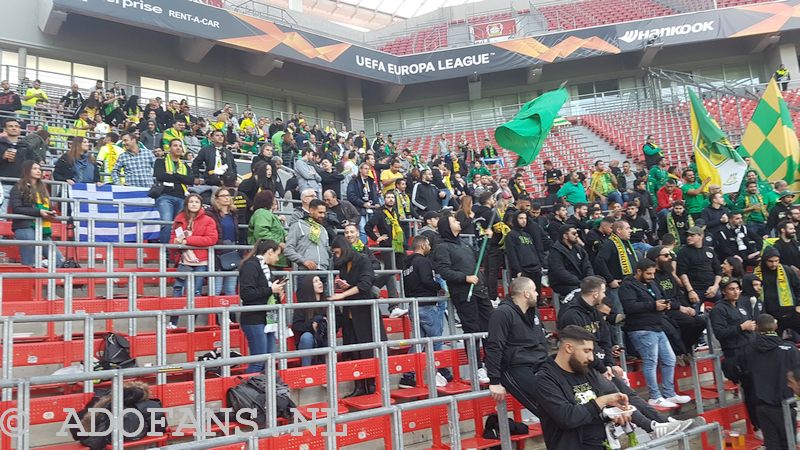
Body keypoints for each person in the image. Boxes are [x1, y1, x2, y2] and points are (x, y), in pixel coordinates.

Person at [530, 325, 633, 450]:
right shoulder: (545, 379)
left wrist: (615, 413)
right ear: (568, 348)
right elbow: (567, 418)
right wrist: (603, 401)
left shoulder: (586, 370)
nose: (591, 357)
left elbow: (597, 409)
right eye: (586, 351)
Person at [620, 259, 691, 408]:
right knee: (651, 361)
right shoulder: (627, 286)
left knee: (670, 359)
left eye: (653, 273)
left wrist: (665, 304)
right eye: (648, 273)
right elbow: (630, 306)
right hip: (641, 328)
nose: (652, 276)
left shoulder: (652, 283)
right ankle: (655, 396)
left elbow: (660, 297)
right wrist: (654, 305)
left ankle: (669, 393)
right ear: (638, 271)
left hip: (657, 326)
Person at [433, 213, 493, 383]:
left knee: (490, 328)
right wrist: (464, 278)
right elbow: (444, 271)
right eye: (454, 220)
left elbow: (480, 256)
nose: (458, 221)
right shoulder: (442, 247)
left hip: (480, 292)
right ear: (446, 226)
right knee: (472, 330)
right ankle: (478, 367)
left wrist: (486, 241)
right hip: (464, 294)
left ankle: (491, 363)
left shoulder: (464, 245)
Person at [329, 236, 385, 397]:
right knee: (354, 351)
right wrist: (345, 286)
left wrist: (343, 293)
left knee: (367, 350)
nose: (336, 256)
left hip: (365, 312)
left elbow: (365, 284)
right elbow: (355, 285)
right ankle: (359, 386)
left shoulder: (363, 260)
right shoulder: (343, 266)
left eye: (337, 252)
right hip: (350, 313)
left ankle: (372, 385)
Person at [485, 277, 549, 409]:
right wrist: (494, 381)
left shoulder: (534, 312)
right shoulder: (502, 314)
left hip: (540, 363)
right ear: (526, 294)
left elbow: (541, 340)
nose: (537, 294)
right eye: (534, 290)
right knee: (549, 405)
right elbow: (494, 346)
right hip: (515, 367)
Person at [740, 314, 800, 448]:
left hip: (760, 406)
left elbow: (744, 371)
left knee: (772, 445)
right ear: (776, 326)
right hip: (783, 405)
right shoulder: (789, 349)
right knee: (788, 445)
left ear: (756, 329)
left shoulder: (749, 349)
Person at [399, 235, 450, 389]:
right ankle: (441, 371)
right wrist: (439, 288)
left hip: (414, 306)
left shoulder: (406, 265)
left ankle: (407, 376)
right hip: (427, 306)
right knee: (436, 340)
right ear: (421, 246)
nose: (430, 246)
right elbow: (427, 281)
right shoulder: (423, 261)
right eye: (428, 244)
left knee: (418, 342)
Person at [709, 277, 759, 432]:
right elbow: (720, 333)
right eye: (731, 289)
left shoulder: (742, 306)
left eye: (737, 288)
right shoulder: (719, 309)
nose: (735, 291)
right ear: (724, 291)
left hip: (751, 350)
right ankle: (756, 423)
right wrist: (741, 327)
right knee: (751, 390)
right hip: (736, 354)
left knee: (758, 388)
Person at [645, 246, 706, 362]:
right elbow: (660, 298)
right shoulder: (652, 276)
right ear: (656, 258)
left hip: (678, 306)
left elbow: (678, 293)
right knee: (689, 322)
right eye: (666, 255)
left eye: (670, 255)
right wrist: (681, 308)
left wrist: (687, 307)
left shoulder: (668, 273)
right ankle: (680, 351)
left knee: (701, 322)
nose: (669, 258)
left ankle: (684, 349)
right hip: (666, 309)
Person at [168, 193, 219, 328]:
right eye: (191, 202)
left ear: (201, 205)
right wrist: (175, 242)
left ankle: (192, 323)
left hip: (200, 262)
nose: (194, 204)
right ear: (187, 204)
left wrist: (187, 240)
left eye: (197, 202)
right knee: (177, 289)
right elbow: (173, 238)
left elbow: (211, 239)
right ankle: (173, 322)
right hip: (183, 261)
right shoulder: (179, 219)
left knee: (195, 292)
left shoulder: (208, 220)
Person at [239, 240, 286, 373]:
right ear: (270, 252)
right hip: (254, 319)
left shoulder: (263, 268)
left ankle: (263, 391)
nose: (277, 259)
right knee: (259, 362)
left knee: (269, 361)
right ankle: (250, 391)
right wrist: (271, 290)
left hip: (266, 319)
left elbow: (264, 291)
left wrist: (276, 294)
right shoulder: (251, 266)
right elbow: (246, 293)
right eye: (277, 255)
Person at [9, 161, 63, 268]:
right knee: (30, 263)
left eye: (39, 169)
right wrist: (39, 212)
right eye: (34, 168)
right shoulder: (18, 187)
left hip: (41, 228)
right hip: (24, 226)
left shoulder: (43, 189)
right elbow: (17, 208)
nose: (38, 171)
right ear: (27, 170)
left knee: (59, 261)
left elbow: (46, 208)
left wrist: (50, 213)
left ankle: (41, 265)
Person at [365, 192, 406, 316]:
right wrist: (377, 238)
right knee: (390, 273)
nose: (391, 199)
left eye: (392, 197)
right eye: (388, 197)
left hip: (399, 247)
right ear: (384, 199)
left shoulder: (396, 213)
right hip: (387, 247)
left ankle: (375, 288)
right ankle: (393, 306)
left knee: (402, 272)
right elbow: (368, 227)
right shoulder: (379, 213)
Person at [153, 139, 193, 244]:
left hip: (182, 198)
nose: (178, 148)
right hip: (165, 197)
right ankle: (165, 250)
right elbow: (160, 176)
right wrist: (181, 178)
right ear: (169, 148)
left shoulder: (185, 166)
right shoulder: (160, 161)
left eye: (180, 146)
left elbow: (190, 180)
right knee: (166, 223)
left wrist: (173, 175)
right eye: (175, 145)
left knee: (179, 225)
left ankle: (175, 251)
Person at [594, 221, 638, 314]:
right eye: (627, 228)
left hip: (629, 284)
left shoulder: (626, 243)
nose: (630, 231)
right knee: (619, 314)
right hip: (616, 287)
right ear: (618, 230)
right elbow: (599, 261)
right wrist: (610, 280)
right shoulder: (609, 244)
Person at [756, 247, 800, 335]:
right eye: (771, 261)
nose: (774, 264)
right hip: (772, 316)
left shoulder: (787, 270)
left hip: (792, 313)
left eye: (776, 261)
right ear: (764, 260)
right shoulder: (756, 273)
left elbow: (798, 287)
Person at [676, 226, 722, 310]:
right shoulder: (683, 251)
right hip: (695, 289)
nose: (689, 238)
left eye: (692, 235)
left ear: (701, 236)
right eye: (688, 236)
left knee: (725, 305)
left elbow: (718, 271)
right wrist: (690, 291)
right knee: (693, 314)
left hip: (711, 288)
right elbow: (682, 273)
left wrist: (715, 286)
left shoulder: (709, 250)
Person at [205, 188, 239, 296]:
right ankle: (214, 313)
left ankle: (231, 313)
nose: (226, 198)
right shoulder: (211, 213)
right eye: (223, 196)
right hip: (218, 253)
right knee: (217, 288)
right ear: (216, 199)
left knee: (231, 288)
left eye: (228, 195)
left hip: (232, 251)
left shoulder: (233, 214)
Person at [284, 198, 331, 272]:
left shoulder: (323, 230)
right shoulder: (298, 226)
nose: (323, 215)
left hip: (323, 271)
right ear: (311, 211)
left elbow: (327, 250)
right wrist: (304, 261)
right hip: (305, 272)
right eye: (320, 212)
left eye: (324, 213)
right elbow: (288, 250)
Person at [548, 225, 594, 298]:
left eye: (577, 233)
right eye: (574, 234)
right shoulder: (556, 251)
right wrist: (580, 282)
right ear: (565, 236)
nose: (577, 235)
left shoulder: (579, 249)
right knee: (581, 294)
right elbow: (559, 271)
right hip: (563, 285)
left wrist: (589, 279)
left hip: (581, 282)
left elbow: (587, 265)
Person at [506, 210, 544, 298]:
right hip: (524, 271)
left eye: (525, 218)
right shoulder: (511, 235)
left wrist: (539, 265)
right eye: (521, 218)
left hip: (535, 269)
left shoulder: (528, 235)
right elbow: (512, 255)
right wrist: (518, 270)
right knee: (525, 297)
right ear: (516, 219)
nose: (524, 220)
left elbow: (534, 251)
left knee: (536, 297)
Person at [292, 275, 327, 367]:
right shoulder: (302, 304)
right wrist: (312, 324)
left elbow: (338, 321)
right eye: (315, 281)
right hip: (308, 341)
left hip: (325, 337)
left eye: (320, 280)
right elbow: (296, 326)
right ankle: (306, 370)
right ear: (309, 286)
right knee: (306, 337)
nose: (320, 283)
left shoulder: (328, 301)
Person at [346, 162, 380, 241]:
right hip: (359, 210)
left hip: (371, 209)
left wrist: (377, 203)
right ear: (360, 170)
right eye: (365, 169)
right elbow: (351, 196)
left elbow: (375, 194)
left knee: (370, 229)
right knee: (362, 230)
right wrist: (362, 204)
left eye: (368, 169)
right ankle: (363, 248)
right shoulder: (354, 181)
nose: (367, 171)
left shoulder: (371, 181)